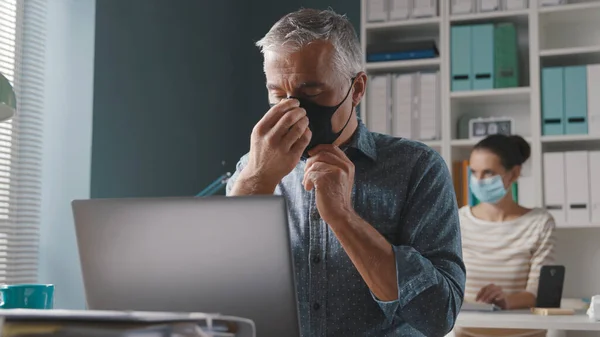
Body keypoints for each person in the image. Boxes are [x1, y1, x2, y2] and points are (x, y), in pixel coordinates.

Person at [226, 8, 466, 337]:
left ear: (356, 89)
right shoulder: (250, 170)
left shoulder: (418, 169)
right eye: (278, 95)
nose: (292, 109)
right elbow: (224, 295)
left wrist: (343, 218)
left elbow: (437, 316)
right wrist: (255, 182)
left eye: (311, 93)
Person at [454, 134, 556, 337]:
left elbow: (540, 294)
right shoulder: (458, 220)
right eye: (474, 172)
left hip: (525, 334)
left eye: (488, 173)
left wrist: (506, 300)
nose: (478, 181)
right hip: (469, 333)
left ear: (514, 173)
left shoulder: (540, 222)